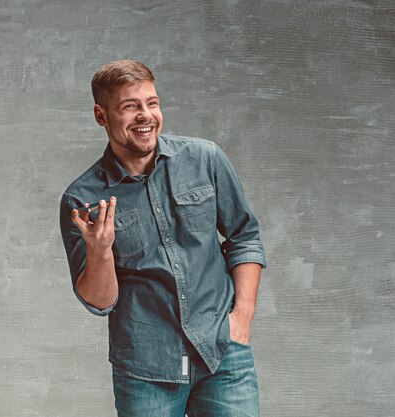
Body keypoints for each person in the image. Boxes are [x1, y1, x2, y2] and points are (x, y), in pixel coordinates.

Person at [59, 59, 266, 417]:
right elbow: (100, 302)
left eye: (151, 103)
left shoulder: (205, 159)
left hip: (222, 354)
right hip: (145, 370)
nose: (145, 116)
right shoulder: (82, 200)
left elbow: (244, 236)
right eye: (130, 106)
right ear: (101, 115)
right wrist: (101, 252)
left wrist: (242, 317)